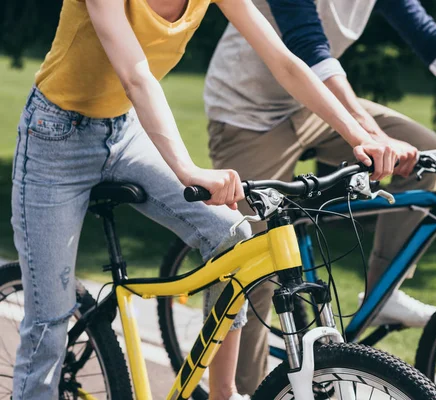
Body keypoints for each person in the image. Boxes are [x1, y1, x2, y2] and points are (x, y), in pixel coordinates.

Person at [9, 0, 406, 399]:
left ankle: (223, 392)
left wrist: (359, 135)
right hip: (54, 139)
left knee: (230, 234)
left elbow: (283, 61)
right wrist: (187, 169)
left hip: (125, 130)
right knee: (49, 323)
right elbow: (135, 75)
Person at [203, 0, 436, 395]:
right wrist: (369, 134)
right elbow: (307, 44)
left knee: (424, 153)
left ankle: (382, 294)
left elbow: (429, 38)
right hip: (248, 115)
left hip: (314, 105)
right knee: (256, 263)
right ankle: (246, 389)